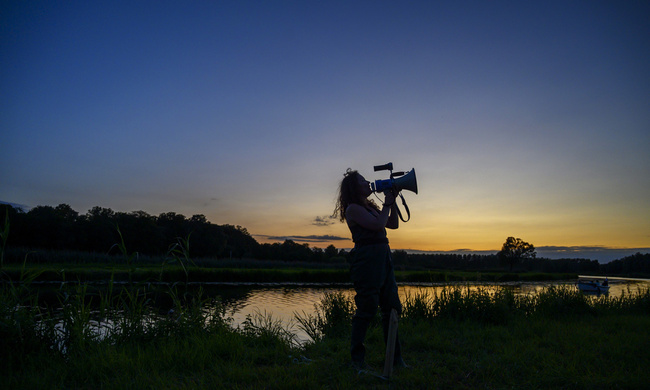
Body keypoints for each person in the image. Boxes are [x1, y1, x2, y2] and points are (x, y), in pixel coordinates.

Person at [334, 168, 407, 370]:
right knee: (366, 308)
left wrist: (391, 202)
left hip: (383, 257)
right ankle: (357, 360)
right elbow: (377, 225)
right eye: (362, 181)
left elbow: (392, 223)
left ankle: (395, 358)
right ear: (354, 188)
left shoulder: (371, 206)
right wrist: (386, 202)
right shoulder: (353, 209)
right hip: (367, 260)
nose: (368, 182)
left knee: (391, 308)